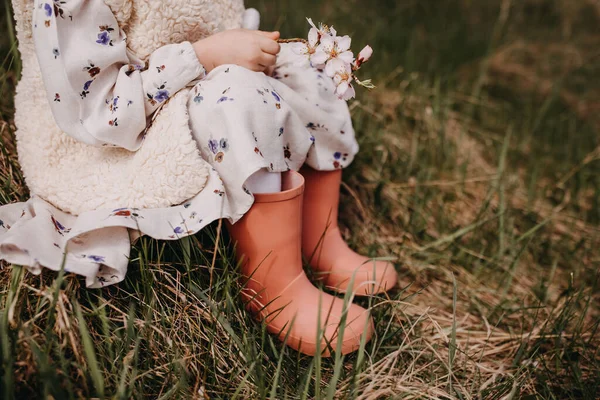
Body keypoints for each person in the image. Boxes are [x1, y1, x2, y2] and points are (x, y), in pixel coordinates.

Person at [1, 0, 398, 356]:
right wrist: (203, 57)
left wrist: (247, 48)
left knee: (311, 69)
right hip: (116, 140)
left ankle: (319, 237)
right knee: (238, 96)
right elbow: (102, 113)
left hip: (190, 84)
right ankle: (275, 282)